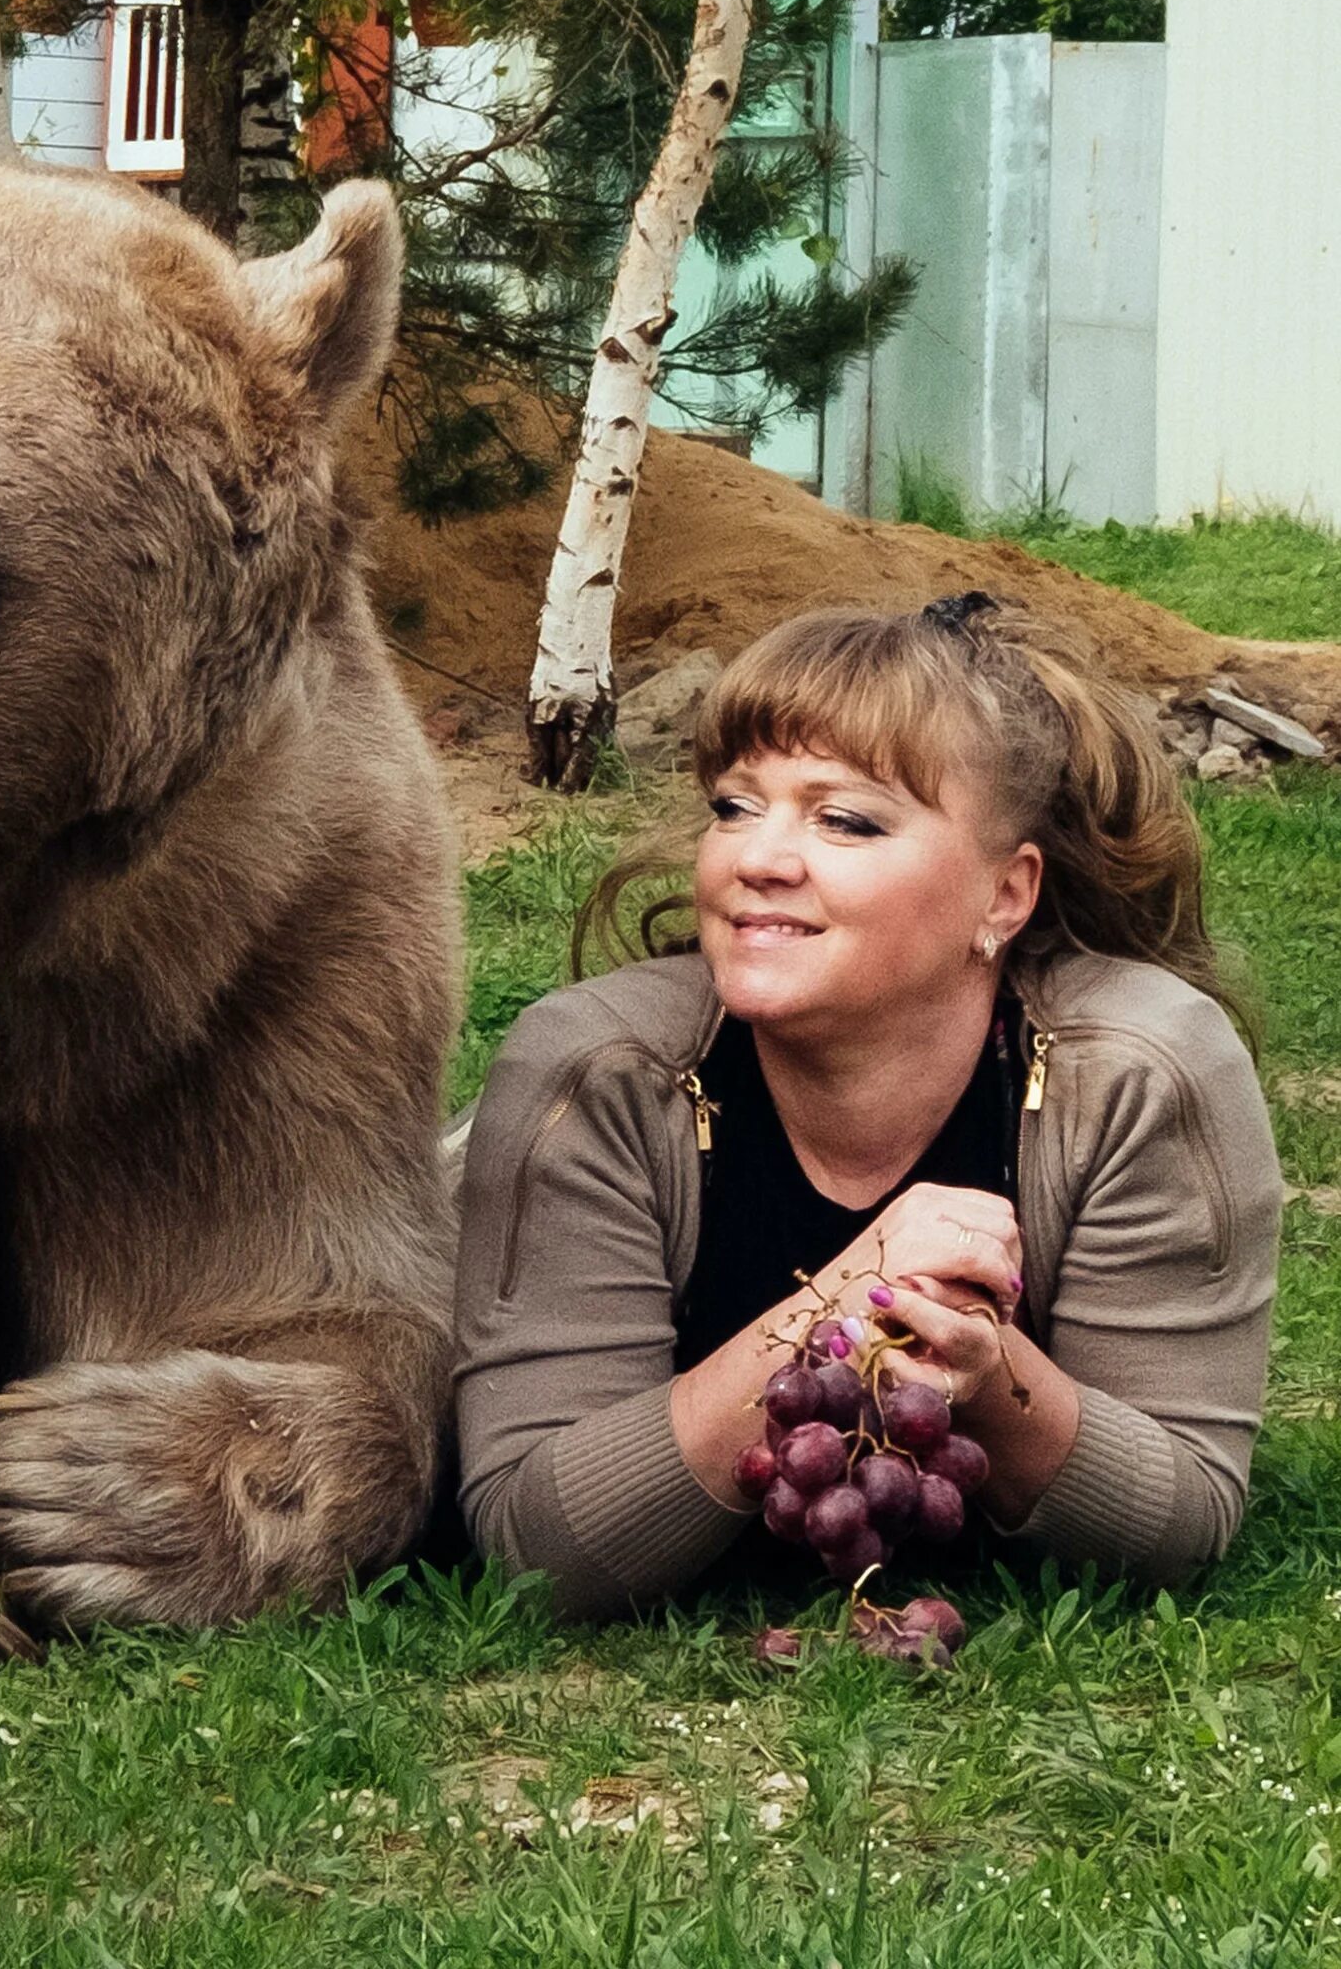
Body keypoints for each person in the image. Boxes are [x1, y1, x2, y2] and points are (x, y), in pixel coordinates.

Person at [452, 595, 1281, 1618]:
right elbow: (539, 1545)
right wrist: (844, 1303)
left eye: (844, 818)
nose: (758, 856)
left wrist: (992, 1373)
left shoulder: (1140, 1074)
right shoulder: (599, 1074)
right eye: (735, 805)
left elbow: (1184, 1518)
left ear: (1004, 896)